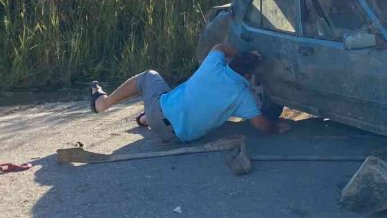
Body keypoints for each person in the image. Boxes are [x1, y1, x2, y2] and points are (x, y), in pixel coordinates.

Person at [89, 44, 290, 142]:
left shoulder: (214, 65)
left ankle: (102, 103)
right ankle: (138, 117)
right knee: (179, 97)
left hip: (161, 110)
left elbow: (219, 46)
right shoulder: (242, 96)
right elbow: (261, 124)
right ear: (248, 75)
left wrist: (239, 54)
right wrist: (276, 127)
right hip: (175, 138)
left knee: (148, 77)